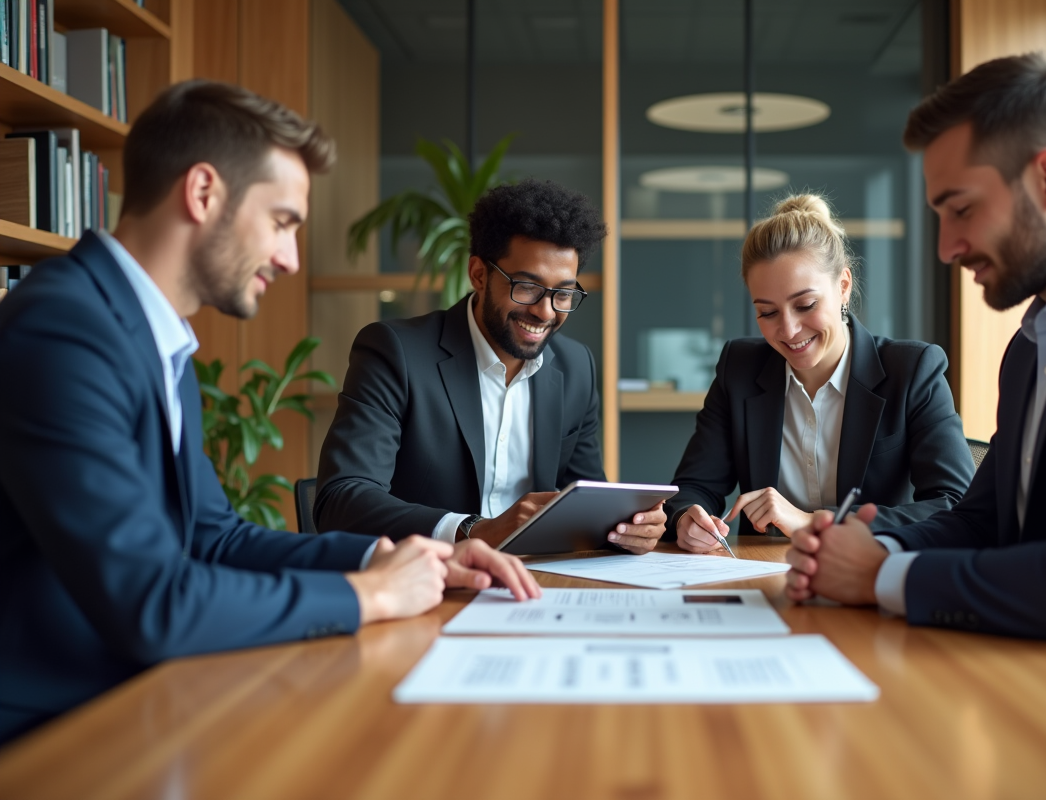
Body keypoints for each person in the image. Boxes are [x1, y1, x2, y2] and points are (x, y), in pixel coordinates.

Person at [0, 80, 541, 745]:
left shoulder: (147, 338)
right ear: (203, 193)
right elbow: (152, 603)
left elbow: (212, 538)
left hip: (131, 706)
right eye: (283, 221)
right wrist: (368, 597)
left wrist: (388, 556)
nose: (288, 258)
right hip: (53, 738)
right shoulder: (64, 332)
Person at [786, 54, 1046, 689]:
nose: (948, 246)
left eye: (962, 209)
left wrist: (879, 577)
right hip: (1041, 687)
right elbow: (987, 521)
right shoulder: (1034, 343)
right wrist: (877, 549)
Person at [316, 180, 668, 554]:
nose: (545, 312)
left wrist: (626, 527)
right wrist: (474, 530)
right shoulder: (396, 352)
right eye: (527, 287)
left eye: (563, 294)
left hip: (535, 583)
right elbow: (341, 500)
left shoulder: (576, 367)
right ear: (479, 275)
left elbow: (584, 499)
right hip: (431, 581)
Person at [664, 194, 976, 553]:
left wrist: (812, 522)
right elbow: (693, 486)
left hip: (870, 576)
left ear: (843, 286)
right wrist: (688, 518)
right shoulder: (740, 368)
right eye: (767, 312)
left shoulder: (912, 370)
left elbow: (955, 505)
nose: (789, 330)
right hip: (764, 576)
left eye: (805, 305)